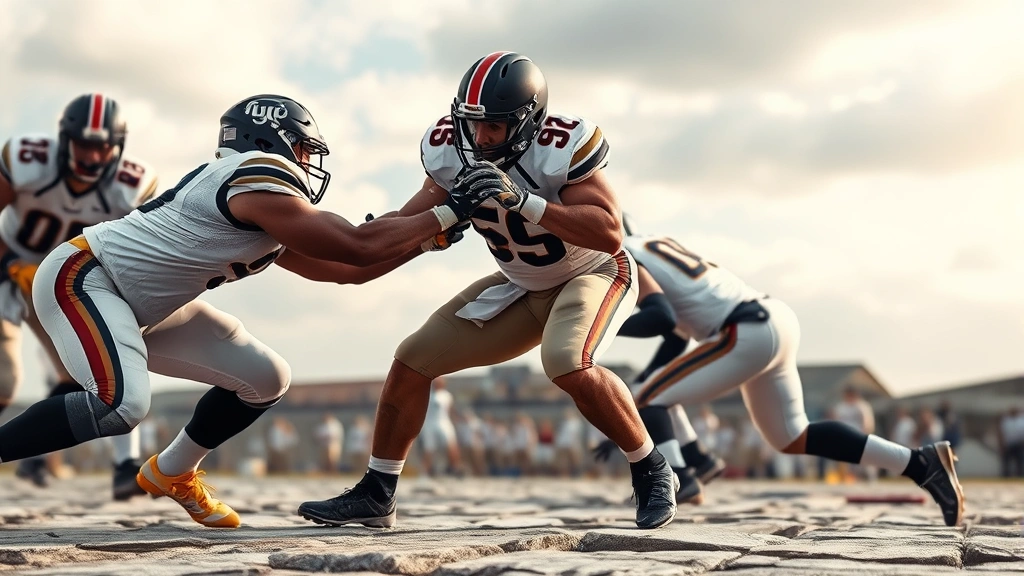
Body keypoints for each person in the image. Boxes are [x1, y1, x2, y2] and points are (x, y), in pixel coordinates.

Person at [0, 94, 496, 528]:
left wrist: (425, 239)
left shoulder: (258, 198)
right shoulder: (258, 174)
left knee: (266, 377)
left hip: (144, 302)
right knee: (122, 404)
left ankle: (172, 471)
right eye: (303, 148)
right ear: (275, 139)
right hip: (87, 275)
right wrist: (446, 212)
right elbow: (356, 246)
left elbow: (349, 270)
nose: (307, 161)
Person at [298, 52, 677, 530]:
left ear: (528, 121)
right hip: (519, 284)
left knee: (566, 360)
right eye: (472, 123)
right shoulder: (450, 147)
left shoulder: (561, 145)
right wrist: (411, 230)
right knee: (413, 359)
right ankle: (378, 492)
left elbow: (607, 232)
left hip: (593, 272)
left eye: (494, 126)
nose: (480, 137)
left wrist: (525, 201)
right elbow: (411, 217)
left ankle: (651, 468)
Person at [598, 221, 964, 526]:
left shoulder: (625, 253)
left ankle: (681, 477)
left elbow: (660, 318)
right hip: (772, 319)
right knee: (792, 435)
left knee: (646, 395)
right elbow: (675, 338)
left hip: (746, 328)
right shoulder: (653, 244)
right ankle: (919, 463)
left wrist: (602, 326)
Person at [0, 94, 156, 499]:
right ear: (64, 140)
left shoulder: (131, 186)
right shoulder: (27, 160)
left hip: (72, 279)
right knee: (3, 378)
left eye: (103, 145)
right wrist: (12, 261)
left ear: (118, 147)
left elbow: (139, 248)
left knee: (108, 366)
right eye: (84, 144)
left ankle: (126, 464)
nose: (92, 155)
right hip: (12, 269)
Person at [419, 378, 461, 476]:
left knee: (451, 445)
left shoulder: (447, 396)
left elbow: (450, 410)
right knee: (429, 448)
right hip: (429, 423)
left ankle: (456, 468)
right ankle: (427, 470)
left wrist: (455, 421)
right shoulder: (426, 394)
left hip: (443, 421)